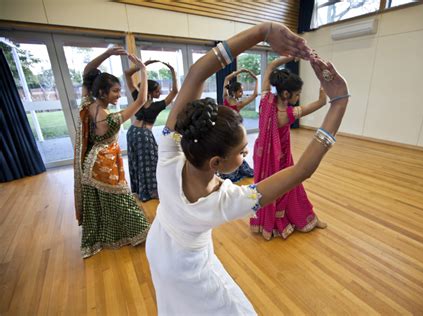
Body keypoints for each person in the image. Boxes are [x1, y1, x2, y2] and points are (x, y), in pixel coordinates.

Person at [145, 21, 349, 315]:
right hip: (187, 268)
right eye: (241, 152)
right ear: (216, 162)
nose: (246, 155)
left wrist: (262, 32)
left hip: (158, 246)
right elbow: (301, 171)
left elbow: (197, 72)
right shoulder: (222, 202)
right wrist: (339, 103)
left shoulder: (169, 153)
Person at [73, 47, 150, 258]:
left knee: (101, 203)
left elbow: (87, 72)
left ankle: (105, 236)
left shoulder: (88, 104)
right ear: (102, 92)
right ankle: (141, 233)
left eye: (118, 90)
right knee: (123, 199)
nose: (118, 94)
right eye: (115, 91)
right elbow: (141, 101)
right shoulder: (109, 118)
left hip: (91, 161)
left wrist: (107, 54)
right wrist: (143, 70)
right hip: (103, 165)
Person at [250, 57, 328, 240]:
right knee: (290, 189)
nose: (299, 97)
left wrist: (290, 56)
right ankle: (305, 219)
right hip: (280, 158)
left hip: (262, 156)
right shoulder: (286, 114)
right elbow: (318, 105)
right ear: (286, 94)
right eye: (297, 93)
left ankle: (271, 223)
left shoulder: (265, 100)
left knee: (269, 188)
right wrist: (323, 96)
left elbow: (270, 66)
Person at [124, 60, 178, 201]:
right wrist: (172, 71)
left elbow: (127, 74)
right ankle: (151, 192)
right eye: (158, 90)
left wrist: (143, 65)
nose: (160, 92)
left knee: (136, 161)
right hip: (143, 135)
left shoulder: (138, 96)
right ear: (152, 92)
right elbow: (175, 92)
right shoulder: (157, 105)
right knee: (151, 164)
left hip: (132, 132)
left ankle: (139, 189)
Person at [218, 68, 258, 182]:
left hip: (224, 130)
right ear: (234, 92)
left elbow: (226, 78)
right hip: (232, 131)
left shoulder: (225, 97)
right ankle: (232, 170)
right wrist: (255, 80)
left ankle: (228, 169)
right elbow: (255, 94)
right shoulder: (239, 104)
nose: (242, 93)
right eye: (241, 91)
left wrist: (238, 72)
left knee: (228, 151)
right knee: (234, 151)